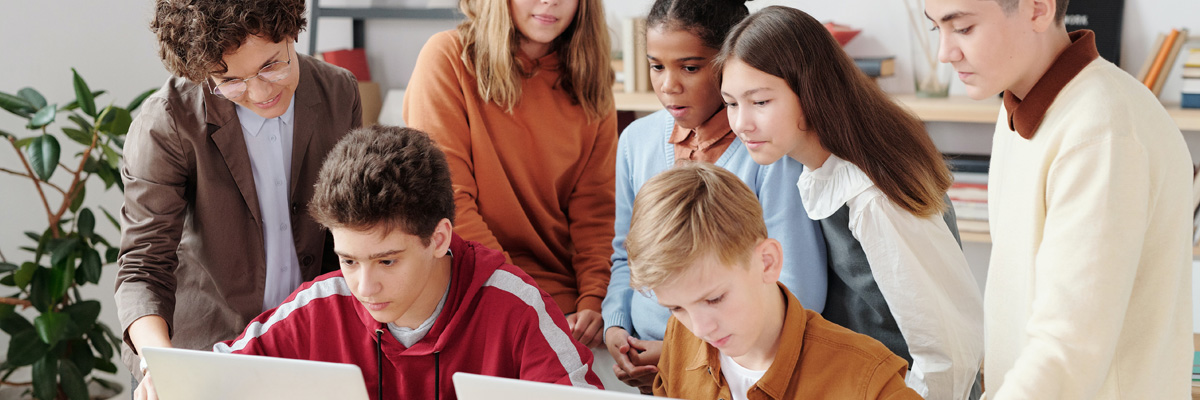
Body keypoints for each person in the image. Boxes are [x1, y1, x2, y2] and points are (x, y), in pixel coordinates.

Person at [139, 126, 604, 400]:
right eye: (348, 260)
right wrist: (163, 387)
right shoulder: (319, 305)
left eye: (386, 261)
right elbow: (211, 381)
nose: (364, 286)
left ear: (439, 238)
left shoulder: (516, 307)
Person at [925, 0, 1194, 398]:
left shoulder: (1101, 130)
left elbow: (1069, 346)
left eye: (962, 28)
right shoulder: (1020, 107)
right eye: (937, 29)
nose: (945, 53)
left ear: (1037, 9)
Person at [717, 6, 983, 399]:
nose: (741, 123)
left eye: (759, 102)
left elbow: (947, 351)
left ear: (809, 91)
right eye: (731, 103)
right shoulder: (820, 168)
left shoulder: (869, 194)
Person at [115, 0, 361, 389]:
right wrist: (157, 364)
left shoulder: (338, 92)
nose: (260, 91)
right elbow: (143, 266)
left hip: (310, 348)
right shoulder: (167, 123)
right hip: (202, 355)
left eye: (272, 65)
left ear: (292, 32)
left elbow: (347, 231)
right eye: (230, 81)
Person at [600, 0, 827, 393]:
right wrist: (616, 326)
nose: (668, 85)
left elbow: (798, 290)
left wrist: (680, 349)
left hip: (734, 366)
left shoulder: (769, 152)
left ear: (731, 63)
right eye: (657, 66)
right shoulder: (635, 141)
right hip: (647, 360)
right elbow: (625, 254)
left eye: (689, 67)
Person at [402, 0, 617, 348]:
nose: (551, 1)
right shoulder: (448, 57)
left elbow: (596, 211)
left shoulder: (590, 78)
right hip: (472, 285)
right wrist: (524, 300)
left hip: (566, 301)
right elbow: (449, 201)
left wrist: (595, 300)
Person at [626, 162, 921, 400]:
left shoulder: (870, 381)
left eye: (714, 299)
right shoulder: (681, 336)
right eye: (676, 308)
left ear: (767, 262)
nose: (700, 329)